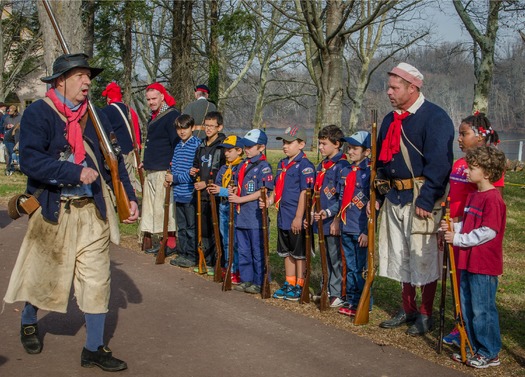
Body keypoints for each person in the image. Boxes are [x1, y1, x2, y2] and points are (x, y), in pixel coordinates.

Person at [3, 53, 139, 372]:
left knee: (96, 281)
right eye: (80, 75)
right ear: (61, 81)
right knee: (44, 276)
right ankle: (28, 320)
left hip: (92, 210)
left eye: (88, 76)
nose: (88, 81)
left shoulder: (96, 115)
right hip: (53, 208)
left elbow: (112, 160)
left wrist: (129, 197)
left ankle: (93, 347)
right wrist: (72, 172)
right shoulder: (39, 113)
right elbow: (30, 161)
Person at [376, 62, 454, 336]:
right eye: (389, 86)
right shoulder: (389, 119)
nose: (389, 92)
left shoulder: (435, 117)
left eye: (395, 87)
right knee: (400, 254)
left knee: (424, 257)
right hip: (394, 197)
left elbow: (440, 163)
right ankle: (407, 308)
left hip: (421, 199)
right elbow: (381, 162)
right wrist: (378, 192)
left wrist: (427, 199)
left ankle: (425, 313)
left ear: (413, 88)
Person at [441, 146, 507, 369]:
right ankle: (472, 346)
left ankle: (489, 352)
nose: (466, 171)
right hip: (468, 262)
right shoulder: (473, 195)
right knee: (467, 305)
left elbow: (487, 231)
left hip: (484, 265)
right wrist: (454, 227)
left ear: (487, 172)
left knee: (482, 309)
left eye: (472, 168)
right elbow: (470, 225)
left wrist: (458, 239)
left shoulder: (493, 199)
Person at [268, 126, 315, 301]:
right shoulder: (282, 164)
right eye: (284, 142)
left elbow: (305, 192)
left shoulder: (305, 166)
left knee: (299, 253)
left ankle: (300, 285)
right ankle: (290, 283)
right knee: (286, 252)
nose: (285, 146)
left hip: (296, 217)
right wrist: (270, 200)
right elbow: (276, 187)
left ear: (301, 144)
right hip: (283, 216)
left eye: (289, 142)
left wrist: (298, 217)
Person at [229, 129, 274, 294]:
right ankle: (246, 279)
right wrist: (232, 189)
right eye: (245, 146)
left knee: (258, 250)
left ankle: (259, 280)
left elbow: (263, 191)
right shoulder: (242, 164)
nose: (247, 149)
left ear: (261, 147)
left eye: (250, 146)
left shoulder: (264, 166)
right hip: (241, 216)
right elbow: (236, 183)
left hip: (255, 217)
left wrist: (240, 199)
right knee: (244, 249)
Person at [311, 124, 349, 308]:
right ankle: (325, 287)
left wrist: (332, 215)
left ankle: (337, 292)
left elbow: (343, 197)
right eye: (319, 143)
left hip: (334, 220)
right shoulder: (322, 165)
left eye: (324, 143)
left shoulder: (343, 166)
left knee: (335, 258)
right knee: (324, 256)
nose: (320, 147)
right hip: (321, 219)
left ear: (337, 144)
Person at [140, 82, 180, 256]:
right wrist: (145, 161)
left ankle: (169, 243)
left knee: (165, 208)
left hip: (164, 169)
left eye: (154, 98)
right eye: (148, 99)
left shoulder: (171, 116)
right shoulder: (154, 116)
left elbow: (175, 144)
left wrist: (172, 168)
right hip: (152, 168)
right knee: (153, 208)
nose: (151, 102)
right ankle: (161, 240)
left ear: (162, 96)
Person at [336, 131, 371, 316]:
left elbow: (373, 208)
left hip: (360, 229)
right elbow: (342, 199)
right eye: (349, 148)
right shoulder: (345, 171)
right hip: (346, 226)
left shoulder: (370, 173)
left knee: (361, 268)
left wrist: (366, 231)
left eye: (355, 148)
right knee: (350, 267)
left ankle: (363, 301)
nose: (350, 152)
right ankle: (351, 299)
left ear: (366, 151)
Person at [190, 111, 226, 275]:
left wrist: (208, 182)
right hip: (200, 194)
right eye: (206, 126)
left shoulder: (222, 146)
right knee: (203, 228)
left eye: (212, 126)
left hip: (215, 194)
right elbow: (197, 163)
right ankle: (203, 258)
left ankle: (216, 261)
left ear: (219, 127)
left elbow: (223, 170)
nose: (208, 129)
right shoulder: (201, 145)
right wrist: (194, 171)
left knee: (215, 228)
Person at [207, 135, 245, 284]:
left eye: (229, 150)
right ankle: (228, 264)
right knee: (225, 239)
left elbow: (238, 190)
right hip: (222, 206)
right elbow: (218, 183)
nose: (226, 153)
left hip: (234, 207)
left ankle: (235, 269)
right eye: (225, 150)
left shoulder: (241, 167)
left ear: (239, 150)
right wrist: (213, 189)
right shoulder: (224, 167)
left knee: (234, 240)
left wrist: (221, 191)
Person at [165, 114, 201, 268]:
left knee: (191, 227)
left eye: (185, 128)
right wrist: (169, 180)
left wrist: (175, 178)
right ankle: (183, 252)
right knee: (182, 226)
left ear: (192, 128)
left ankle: (192, 255)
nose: (182, 132)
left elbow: (193, 173)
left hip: (189, 194)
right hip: (178, 193)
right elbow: (175, 167)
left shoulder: (197, 145)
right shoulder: (178, 146)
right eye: (179, 129)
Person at [101, 81, 143, 193]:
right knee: (130, 180)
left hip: (119, 152)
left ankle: (127, 204)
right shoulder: (129, 109)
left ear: (109, 97)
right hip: (131, 151)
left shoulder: (107, 111)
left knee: (122, 181)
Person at [3, 105, 22, 175]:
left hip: (17, 137)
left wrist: (14, 127)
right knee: (11, 153)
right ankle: (9, 169)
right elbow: (3, 126)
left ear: (15, 111)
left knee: (17, 153)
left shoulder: (20, 118)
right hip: (8, 138)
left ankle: (18, 168)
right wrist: (7, 126)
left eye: (11, 111)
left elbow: (21, 126)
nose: (9, 112)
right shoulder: (7, 118)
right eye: (9, 111)